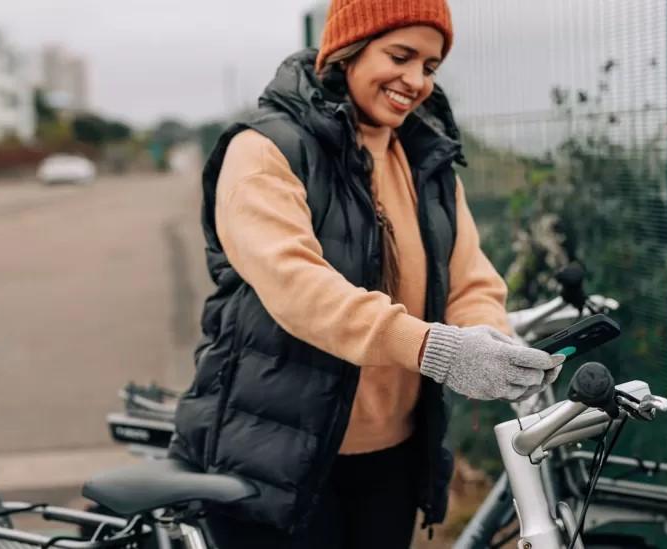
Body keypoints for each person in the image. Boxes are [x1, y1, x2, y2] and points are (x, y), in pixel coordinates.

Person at [169, 0, 563, 547]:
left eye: (429, 66)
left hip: (392, 460)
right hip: (271, 457)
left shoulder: (428, 161)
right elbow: (297, 287)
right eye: (399, 55)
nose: (415, 80)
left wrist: (484, 335)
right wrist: (435, 349)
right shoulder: (265, 149)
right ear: (346, 51)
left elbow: (470, 276)